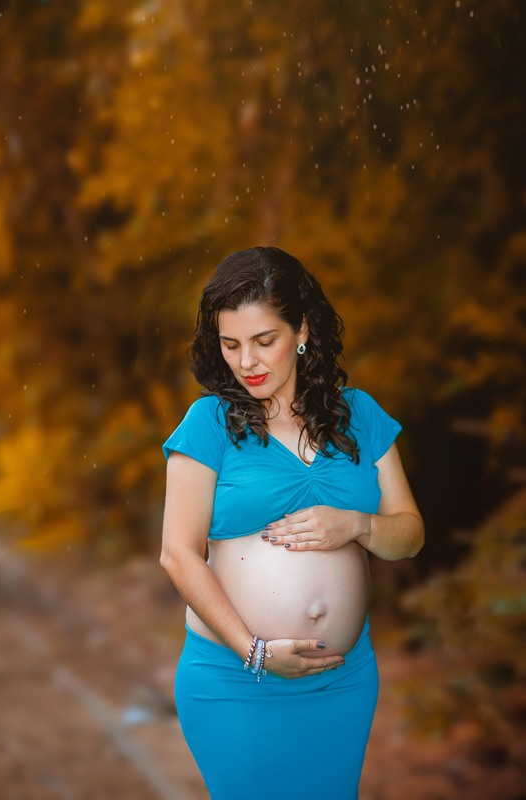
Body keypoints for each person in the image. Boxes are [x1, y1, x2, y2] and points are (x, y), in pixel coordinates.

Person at [160, 246, 424, 800]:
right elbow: (178, 554)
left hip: (341, 679)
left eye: (264, 341)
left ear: (301, 330)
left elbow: (410, 534)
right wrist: (254, 653)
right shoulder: (208, 423)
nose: (246, 362)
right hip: (236, 678)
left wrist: (359, 526)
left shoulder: (360, 416)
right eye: (230, 345)